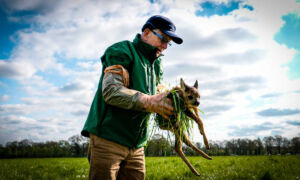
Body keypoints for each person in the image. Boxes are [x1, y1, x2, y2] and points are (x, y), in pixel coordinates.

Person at [81, 15, 183, 180]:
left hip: (137, 146)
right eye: (163, 39)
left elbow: (157, 101)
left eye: (168, 42)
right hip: (108, 139)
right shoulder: (122, 51)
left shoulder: (157, 65)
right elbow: (111, 91)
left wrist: (171, 113)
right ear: (146, 32)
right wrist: (149, 101)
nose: (165, 46)